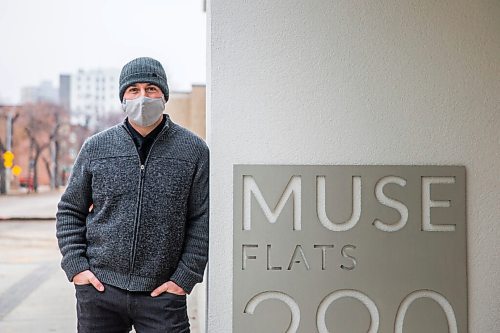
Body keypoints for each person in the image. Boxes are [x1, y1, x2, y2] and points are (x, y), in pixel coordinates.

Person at [56, 57, 209, 333]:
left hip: (163, 296)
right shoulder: (96, 147)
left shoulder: (194, 151)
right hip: (100, 292)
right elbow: (70, 210)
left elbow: (202, 219)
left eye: (151, 89)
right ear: (123, 97)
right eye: (134, 90)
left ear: (164, 95)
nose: (143, 97)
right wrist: (76, 266)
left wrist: (184, 279)